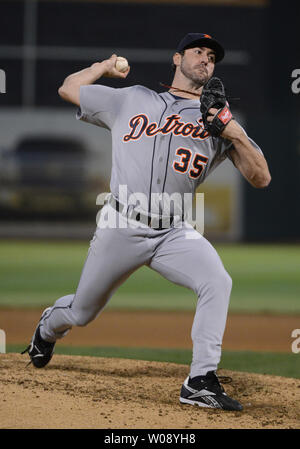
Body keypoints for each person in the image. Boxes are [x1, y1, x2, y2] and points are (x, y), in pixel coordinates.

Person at [22, 33, 271, 411]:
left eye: (212, 56)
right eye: (198, 51)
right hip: (122, 224)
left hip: (173, 231)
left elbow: (261, 177)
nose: (206, 59)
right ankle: (47, 327)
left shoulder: (218, 121)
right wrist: (103, 67)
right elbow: (68, 89)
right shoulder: (132, 98)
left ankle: (200, 379)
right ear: (177, 58)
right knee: (82, 312)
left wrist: (231, 128)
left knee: (217, 280)